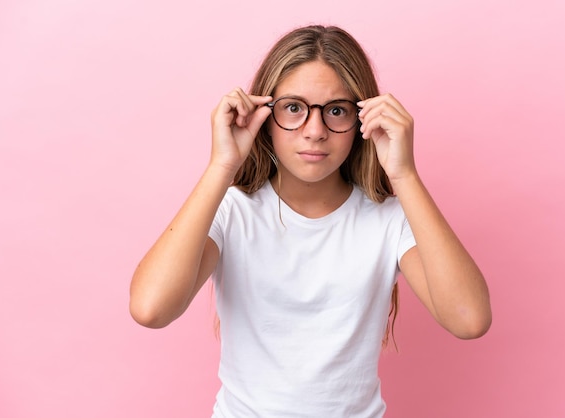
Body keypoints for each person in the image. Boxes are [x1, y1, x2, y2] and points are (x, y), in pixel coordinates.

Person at [130, 24, 492, 417]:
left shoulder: (388, 219)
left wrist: (403, 174)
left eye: (336, 110)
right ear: (264, 115)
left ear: (361, 119)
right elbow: (151, 309)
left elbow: (468, 319)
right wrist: (222, 165)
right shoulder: (232, 211)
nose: (315, 131)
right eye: (294, 108)